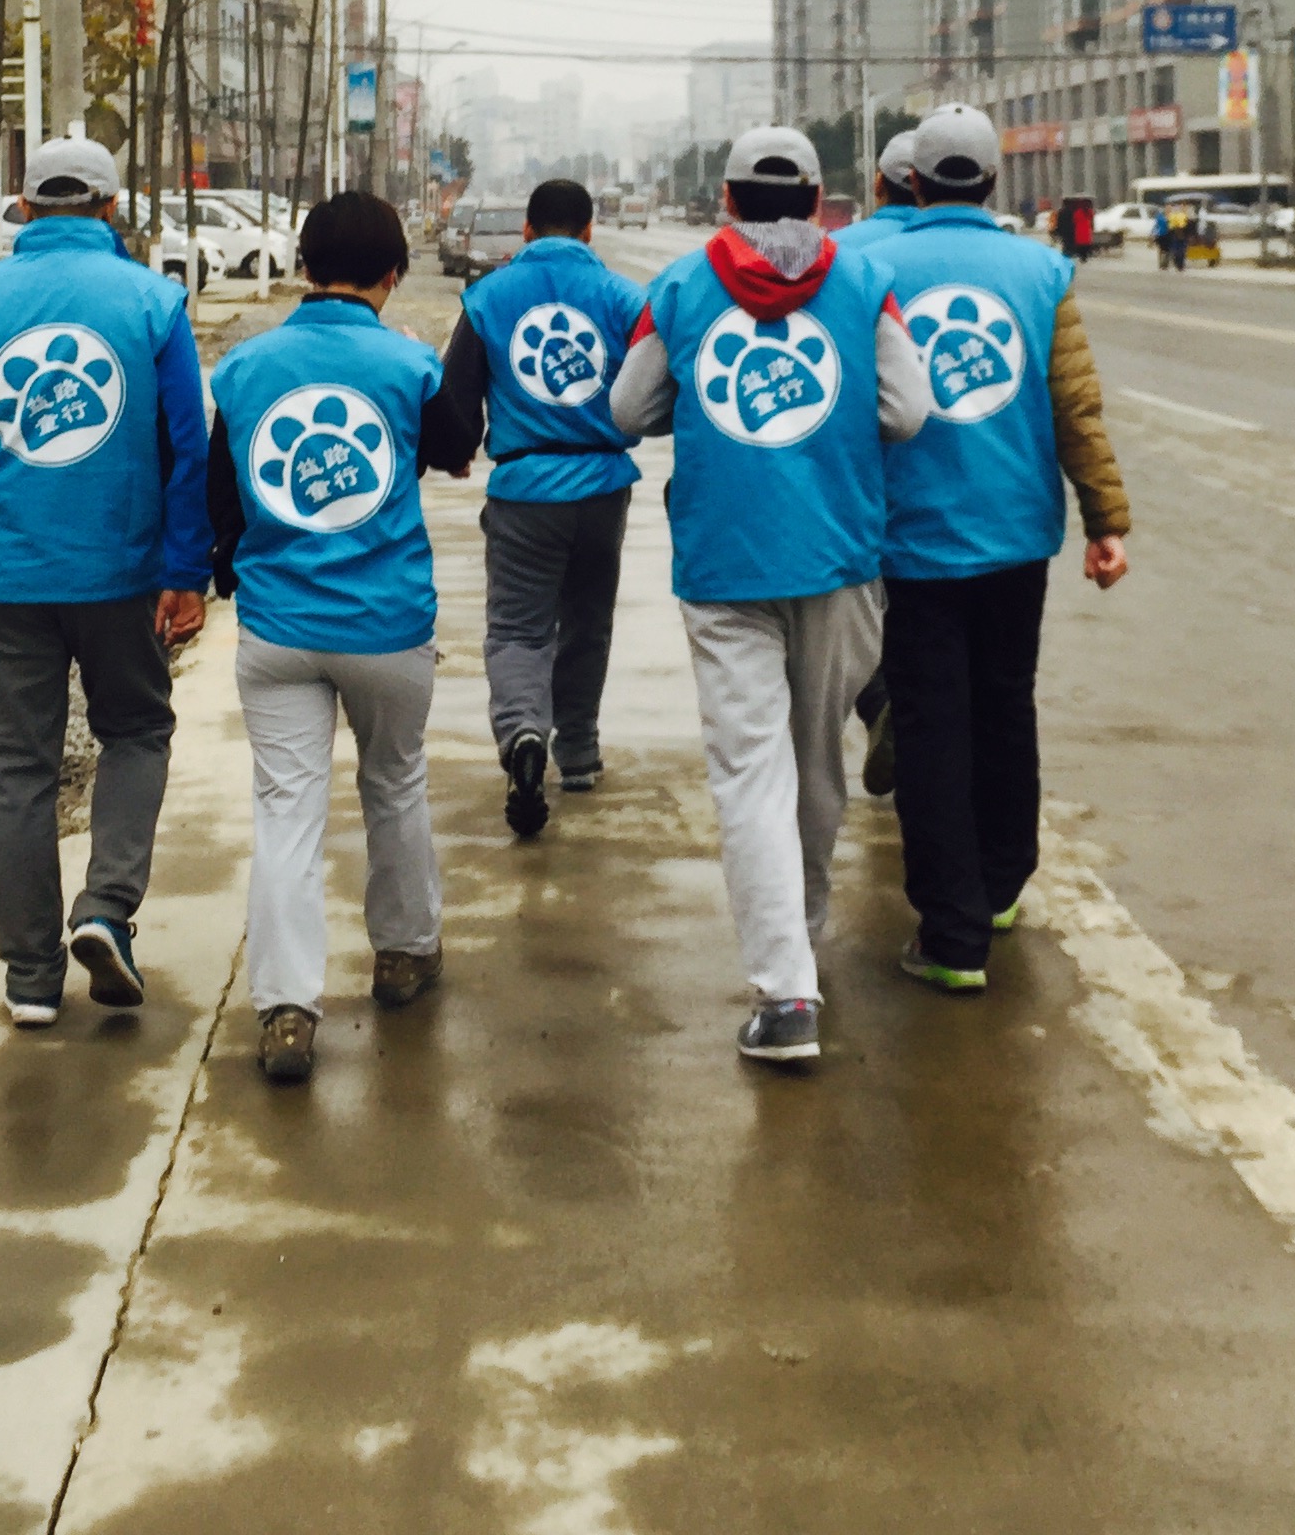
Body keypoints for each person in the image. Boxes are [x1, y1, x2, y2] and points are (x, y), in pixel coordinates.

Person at [610, 125, 930, 1068]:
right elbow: (908, 411)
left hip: (725, 563)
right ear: (820, 200)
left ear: (727, 199)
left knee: (750, 771)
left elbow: (627, 410)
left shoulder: (680, 287)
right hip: (839, 555)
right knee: (816, 762)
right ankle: (807, 932)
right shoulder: (864, 284)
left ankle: (786, 993)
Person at [0, 135, 211, 1030]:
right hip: (123, 572)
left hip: (6, 575)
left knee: (17, 767)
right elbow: (185, 448)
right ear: (113, 208)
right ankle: (106, 908)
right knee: (137, 731)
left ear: (24, 208)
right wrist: (185, 570)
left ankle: (32, 979)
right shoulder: (154, 302)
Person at [207, 190, 479, 1087]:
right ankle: (404, 953)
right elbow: (457, 448)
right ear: (394, 274)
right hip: (385, 623)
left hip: (278, 627)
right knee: (394, 783)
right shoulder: (407, 362)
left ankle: (286, 1009)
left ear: (302, 266)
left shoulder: (244, 368)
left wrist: (226, 575)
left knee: (287, 810)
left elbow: (219, 496)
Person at [876, 103, 1130, 992]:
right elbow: (1076, 409)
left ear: (913, 181)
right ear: (992, 180)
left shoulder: (869, 267)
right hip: (1017, 540)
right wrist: (1106, 522)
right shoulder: (1043, 272)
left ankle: (951, 938)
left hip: (909, 543)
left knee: (930, 725)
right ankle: (998, 887)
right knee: (1003, 707)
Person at [437, 176, 645, 837]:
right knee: (588, 621)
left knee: (519, 629)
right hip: (603, 488)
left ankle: (523, 732)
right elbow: (650, 389)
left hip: (525, 491)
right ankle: (577, 752)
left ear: (527, 230)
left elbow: (457, 394)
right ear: (589, 230)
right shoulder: (624, 298)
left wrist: (456, 449)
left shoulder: (487, 297)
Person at [841, 127, 920, 796]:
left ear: (880, 183)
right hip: (965, 494)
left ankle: (880, 704)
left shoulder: (842, 256)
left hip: (860, 481)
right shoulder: (1013, 259)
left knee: (861, 618)